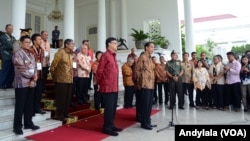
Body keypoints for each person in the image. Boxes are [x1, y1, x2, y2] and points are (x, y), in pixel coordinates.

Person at [12, 35, 40, 135]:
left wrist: (34, 78)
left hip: (31, 83)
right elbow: (22, 68)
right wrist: (32, 77)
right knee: (20, 105)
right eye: (26, 42)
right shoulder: (17, 54)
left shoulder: (31, 54)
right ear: (21, 43)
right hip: (21, 83)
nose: (28, 44)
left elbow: (35, 67)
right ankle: (17, 127)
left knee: (29, 104)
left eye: (29, 42)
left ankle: (28, 123)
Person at [96, 37, 122, 136]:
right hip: (107, 87)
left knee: (113, 108)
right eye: (114, 43)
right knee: (109, 109)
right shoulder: (105, 55)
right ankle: (106, 128)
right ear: (109, 44)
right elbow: (100, 71)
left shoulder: (113, 56)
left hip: (114, 87)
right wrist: (100, 83)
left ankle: (111, 125)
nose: (116, 45)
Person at [50, 39, 74, 121]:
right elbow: (53, 65)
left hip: (69, 79)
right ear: (66, 45)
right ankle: (59, 115)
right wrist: (55, 77)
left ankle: (65, 113)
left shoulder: (71, 54)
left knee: (68, 98)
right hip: (61, 79)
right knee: (61, 99)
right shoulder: (61, 52)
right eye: (72, 44)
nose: (73, 46)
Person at [136, 42, 157, 130]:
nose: (153, 48)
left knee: (149, 105)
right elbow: (138, 71)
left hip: (151, 84)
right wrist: (140, 83)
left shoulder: (150, 58)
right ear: (146, 48)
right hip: (145, 85)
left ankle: (148, 121)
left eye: (153, 47)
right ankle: (144, 123)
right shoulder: (142, 57)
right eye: (151, 47)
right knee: (145, 105)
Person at [30, 33, 46, 115]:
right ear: (34, 41)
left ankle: (37, 108)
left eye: (41, 39)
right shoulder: (30, 49)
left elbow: (43, 60)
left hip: (40, 73)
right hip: (32, 74)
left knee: (39, 93)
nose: (41, 41)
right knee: (32, 93)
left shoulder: (41, 50)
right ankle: (31, 109)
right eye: (39, 39)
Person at [0, 24, 16, 89]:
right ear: (6, 29)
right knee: (5, 71)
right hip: (6, 57)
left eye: (12, 29)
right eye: (9, 29)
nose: (11, 30)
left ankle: (9, 84)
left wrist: (15, 46)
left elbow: (16, 45)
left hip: (12, 57)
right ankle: (2, 85)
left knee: (11, 72)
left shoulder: (13, 37)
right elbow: (9, 45)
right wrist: (14, 46)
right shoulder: (3, 37)